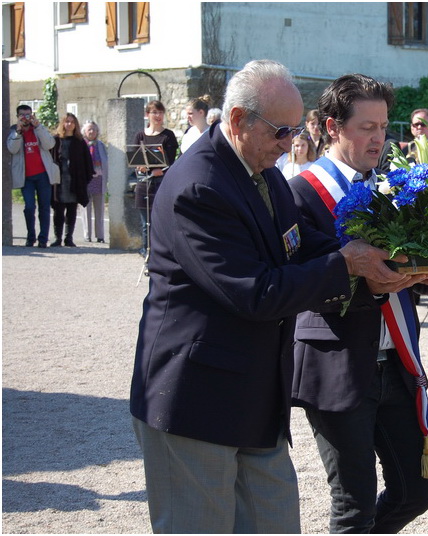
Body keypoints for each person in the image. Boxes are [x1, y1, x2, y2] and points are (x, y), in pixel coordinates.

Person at [129, 59, 408, 534]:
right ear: (238, 120)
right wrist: (347, 264)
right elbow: (255, 292)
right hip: (196, 400)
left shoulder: (266, 172)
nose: (290, 143)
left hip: (255, 398)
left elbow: (303, 245)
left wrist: (398, 262)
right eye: (282, 131)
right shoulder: (198, 187)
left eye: (296, 129)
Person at [287, 73, 428, 533]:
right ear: (333, 128)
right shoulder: (302, 192)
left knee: (416, 490)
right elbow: (300, 287)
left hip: (395, 362)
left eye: (383, 126)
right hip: (337, 362)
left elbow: (418, 271)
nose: (379, 138)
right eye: (366, 127)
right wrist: (366, 282)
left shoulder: (395, 185)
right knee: (354, 503)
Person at [7, 105, 57, 248]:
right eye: (22, 115)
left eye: (28, 115)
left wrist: (39, 127)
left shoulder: (38, 129)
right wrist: (18, 131)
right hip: (26, 177)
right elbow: (12, 149)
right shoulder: (13, 131)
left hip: (43, 175)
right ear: (17, 117)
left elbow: (49, 144)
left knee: (45, 207)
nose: (26, 118)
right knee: (29, 207)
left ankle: (43, 239)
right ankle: (30, 237)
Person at [133, 100, 178, 257]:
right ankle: (146, 253)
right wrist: (140, 166)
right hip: (144, 183)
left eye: (160, 112)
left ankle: (161, 253)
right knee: (146, 223)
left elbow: (171, 161)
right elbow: (135, 158)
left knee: (161, 221)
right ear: (148, 115)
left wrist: (160, 170)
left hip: (161, 183)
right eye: (154, 112)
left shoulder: (168, 136)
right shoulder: (140, 135)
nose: (158, 116)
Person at [50, 113, 92, 247]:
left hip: (74, 180)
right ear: (62, 123)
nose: (69, 124)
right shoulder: (55, 140)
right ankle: (57, 238)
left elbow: (87, 162)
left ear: (76, 125)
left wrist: (84, 178)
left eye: (72, 122)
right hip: (59, 180)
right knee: (58, 210)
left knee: (72, 210)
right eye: (67, 121)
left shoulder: (79, 142)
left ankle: (69, 238)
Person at [81, 120, 108, 243]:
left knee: (99, 209)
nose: (92, 132)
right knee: (85, 209)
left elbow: (105, 162)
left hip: (99, 180)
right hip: (85, 181)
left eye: (94, 129)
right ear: (84, 132)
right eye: (89, 129)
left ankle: (100, 235)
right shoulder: (81, 145)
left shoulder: (101, 145)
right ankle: (87, 234)